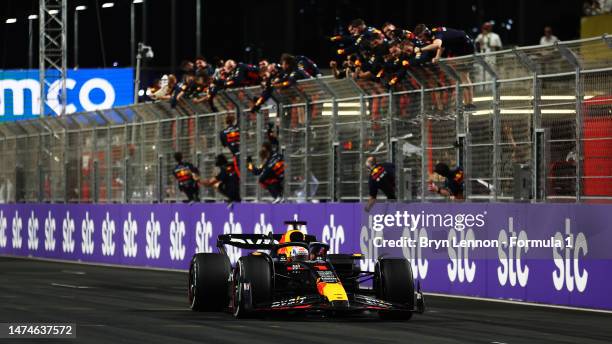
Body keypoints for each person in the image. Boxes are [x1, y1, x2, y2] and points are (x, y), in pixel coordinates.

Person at [414, 24, 476, 109]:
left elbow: (437, 45)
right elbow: (442, 45)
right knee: (464, 77)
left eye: (421, 37)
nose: (421, 39)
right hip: (463, 47)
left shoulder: (436, 34)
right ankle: (469, 103)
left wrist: (420, 49)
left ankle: (468, 104)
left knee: (463, 77)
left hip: (465, 49)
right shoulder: (435, 33)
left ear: (425, 33)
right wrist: (437, 57)